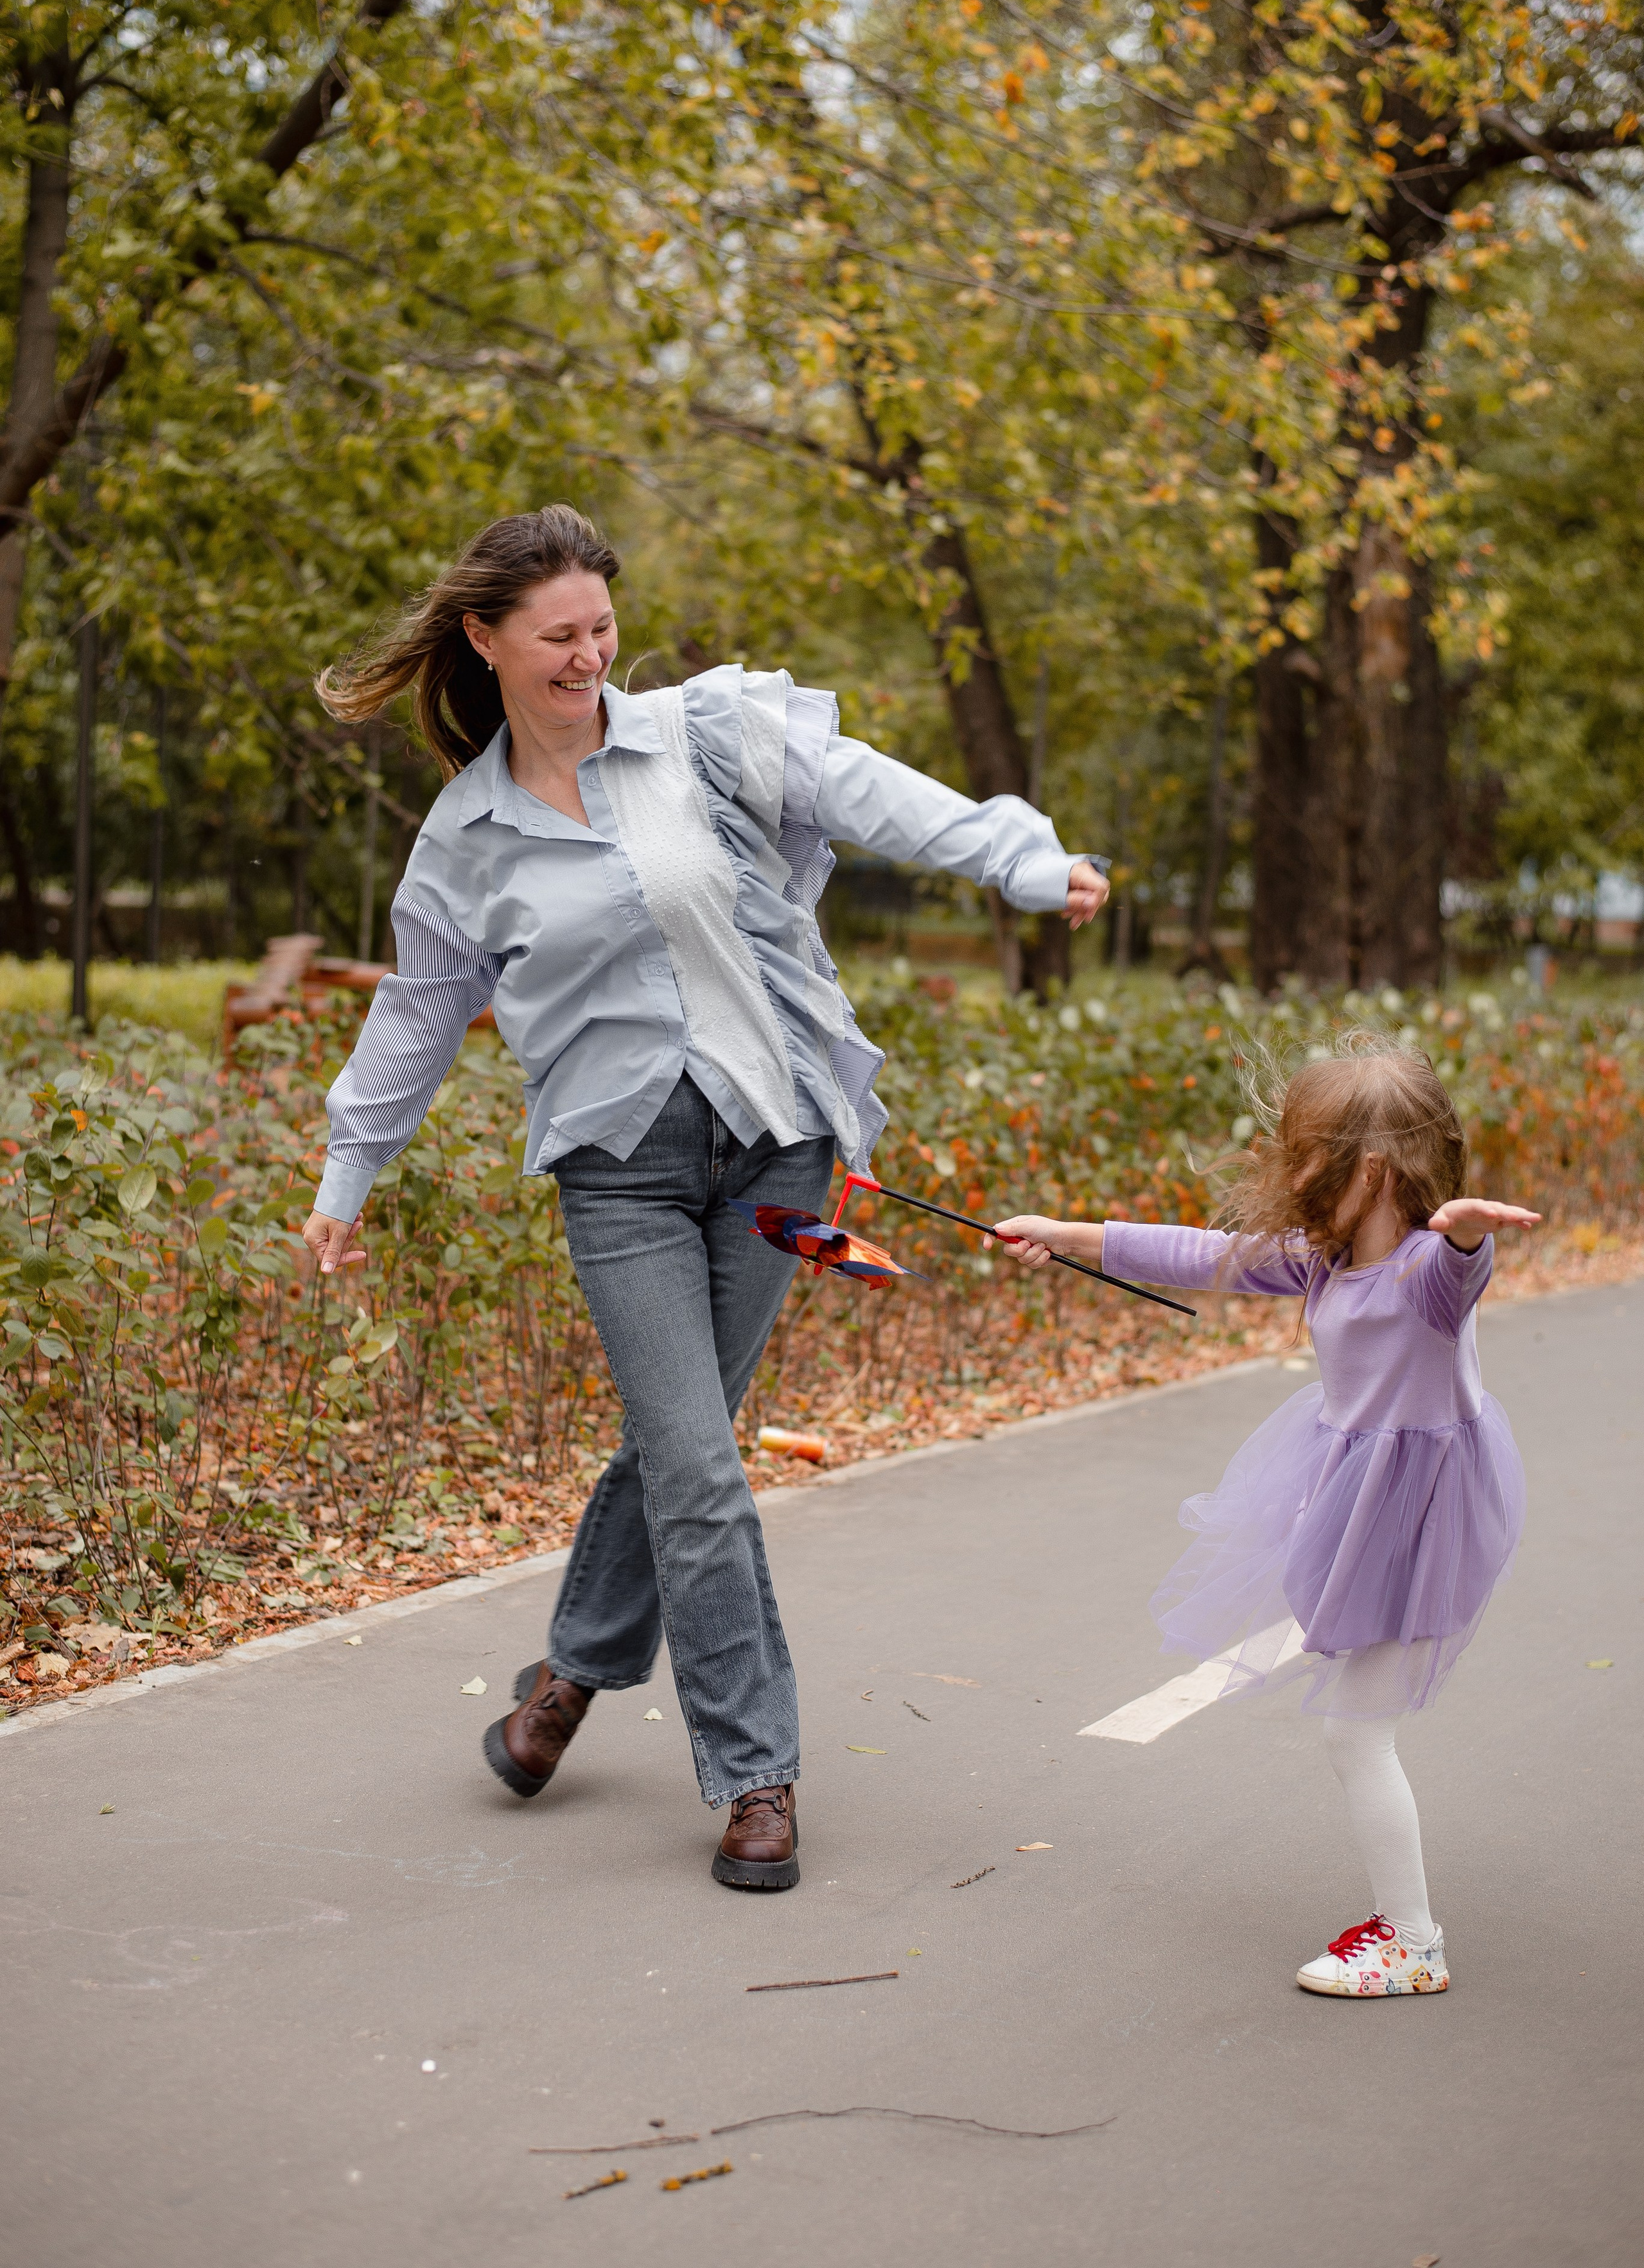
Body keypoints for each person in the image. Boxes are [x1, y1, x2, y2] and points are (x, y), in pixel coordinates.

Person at [299, 502, 1108, 1892]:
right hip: (620, 1174)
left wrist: (1019, 861)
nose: (586, 655)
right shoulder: (465, 839)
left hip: (774, 1149)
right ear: (486, 640)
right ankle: (755, 1778)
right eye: (556, 635)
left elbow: (871, 791)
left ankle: (564, 1678)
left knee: (685, 1450)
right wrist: (347, 1170)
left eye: (601, 627)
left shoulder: (704, 734)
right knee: (695, 1459)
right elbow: (419, 1014)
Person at [994, 1036, 1537, 1996]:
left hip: (1416, 1518)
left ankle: (1414, 1942)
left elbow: (1461, 1272)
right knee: (1356, 1722)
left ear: (1369, 1170)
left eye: (1308, 1157)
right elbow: (1204, 1253)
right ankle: (1405, 1924)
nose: (1291, 1174)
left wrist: (1464, 1235)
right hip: (1364, 1498)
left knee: (1355, 1733)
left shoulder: (1423, 1276)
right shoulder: (1326, 1261)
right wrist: (1067, 1233)